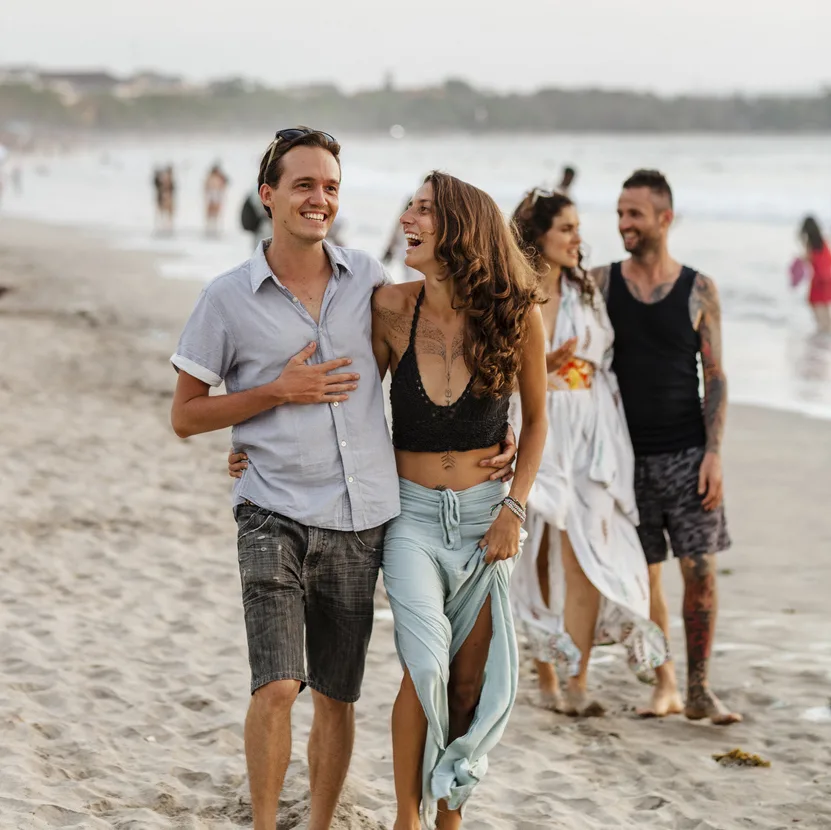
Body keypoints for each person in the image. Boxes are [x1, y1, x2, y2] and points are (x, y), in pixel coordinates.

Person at [176, 129, 517, 830]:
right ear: (267, 195)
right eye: (303, 185)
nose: (319, 199)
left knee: (337, 694)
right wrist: (275, 393)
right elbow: (185, 415)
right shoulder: (225, 298)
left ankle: (321, 824)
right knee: (277, 685)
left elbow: (438, 349)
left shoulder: (370, 282)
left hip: (361, 516)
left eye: (330, 186)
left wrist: (492, 428)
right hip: (270, 510)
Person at [372, 172, 547, 829]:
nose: (408, 218)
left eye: (423, 210)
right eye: (409, 207)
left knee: (469, 683)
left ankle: (449, 817)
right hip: (411, 517)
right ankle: (406, 818)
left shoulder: (515, 314)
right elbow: (353, 410)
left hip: (483, 522)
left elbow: (536, 424)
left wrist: (515, 508)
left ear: (461, 230)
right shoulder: (389, 307)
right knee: (424, 666)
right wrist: (260, 444)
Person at [590, 169, 741, 725]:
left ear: (664, 218)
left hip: (687, 454)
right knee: (645, 575)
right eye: (620, 213)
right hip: (625, 458)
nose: (624, 223)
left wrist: (715, 451)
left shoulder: (699, 289)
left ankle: (699, 690)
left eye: (634, 213)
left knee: (699, 569)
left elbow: (717, 374)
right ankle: (666, 684)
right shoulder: (601, 283)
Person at [509, 189, 669, 716]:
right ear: (539, 238)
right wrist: (539, 371)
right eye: (567, 229)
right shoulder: (514, 295)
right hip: (539, 428)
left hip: (593, 430)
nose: (580, 238)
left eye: (579, 228)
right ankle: (548, 675)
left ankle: (577, 680)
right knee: (536, 555)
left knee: (586, 556)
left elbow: (602, 360)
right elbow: (495, 370)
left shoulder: (587, 290)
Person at [798, 216, 831, 333]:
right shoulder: (823, 241)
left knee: (816, 305)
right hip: (828, 278)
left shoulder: (810, 244)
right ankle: (824, 337)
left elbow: (808, 259)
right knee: (825, 308)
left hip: (818, 280)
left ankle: (823, 336)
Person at [204, 163, 229, 236]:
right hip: (212, 194)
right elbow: (206, 186)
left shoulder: (220, 177)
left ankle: (214, 228)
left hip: (217, 195)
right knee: (210, 213)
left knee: (216, 213)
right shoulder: (210, 177)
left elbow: (224, 184)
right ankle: (209, 228)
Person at [153, 165, 176, 235]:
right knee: (163, 212)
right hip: (164, 196)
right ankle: (163, 225)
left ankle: (167, 225)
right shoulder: (165, 179)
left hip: (167, 196)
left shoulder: (169, 179)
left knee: (168, 212)